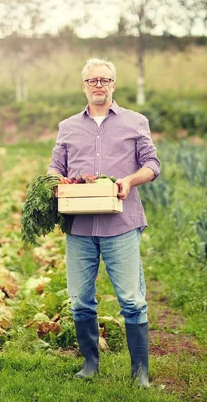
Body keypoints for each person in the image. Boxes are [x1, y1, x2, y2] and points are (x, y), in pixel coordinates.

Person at [47, 58, 160, 388]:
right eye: (92, 80)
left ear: (114, 85)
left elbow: (152, 165)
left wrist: (129, 181)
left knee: (131, 299)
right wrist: (55, 182)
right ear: (83, 86)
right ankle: (90, 363)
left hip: (121, 224)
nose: (99, 84)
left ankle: (140, 371)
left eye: (105, 80)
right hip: (79, 227)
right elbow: (56, 166)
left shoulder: (135, 122)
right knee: (80, 299)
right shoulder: (68, 126)